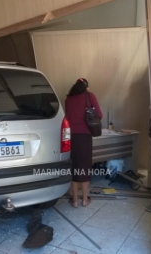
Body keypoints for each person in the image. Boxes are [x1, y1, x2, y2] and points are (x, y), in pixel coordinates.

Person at [65, 78, 103, 207]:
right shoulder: (89, 96)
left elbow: (68, 117)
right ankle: (85, 200)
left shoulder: (68, 99)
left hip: (71, 136)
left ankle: (75, 200)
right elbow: (99, 114)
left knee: (74, 167)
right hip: (85, 136)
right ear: (86, 87)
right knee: (84, 167)